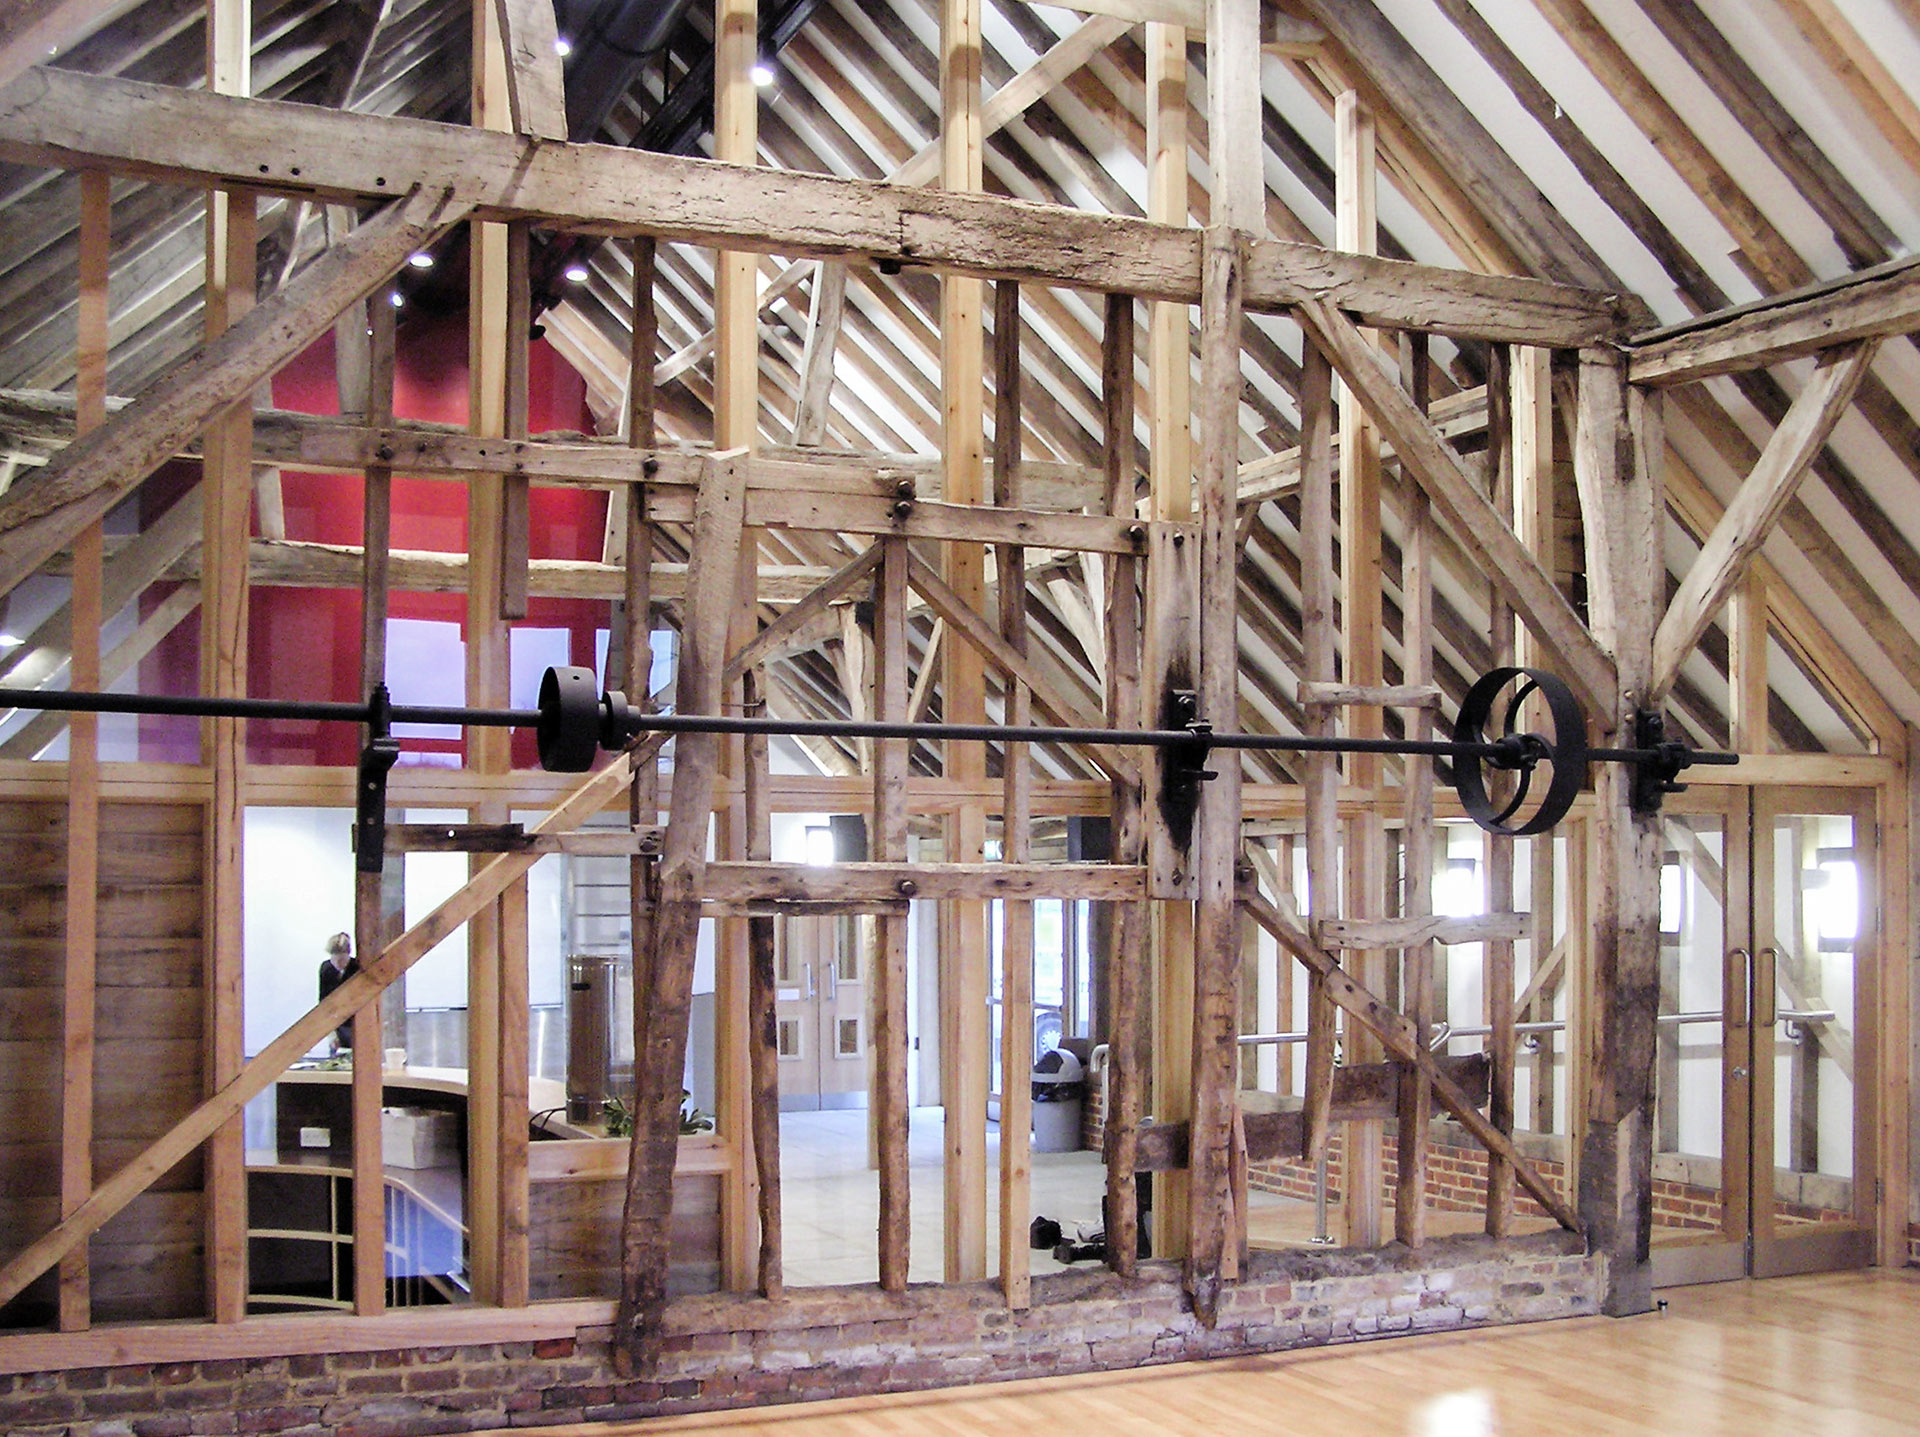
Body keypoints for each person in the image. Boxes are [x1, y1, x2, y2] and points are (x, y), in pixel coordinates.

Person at [317, 931, 359, 1052]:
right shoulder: (326, 969)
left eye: (342, 960)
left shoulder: (356, 967)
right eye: (335, 960)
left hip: (355, 1022)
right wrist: (331, 1034)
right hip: (335, 1022)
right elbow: (323, 1002)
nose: (338, 965)